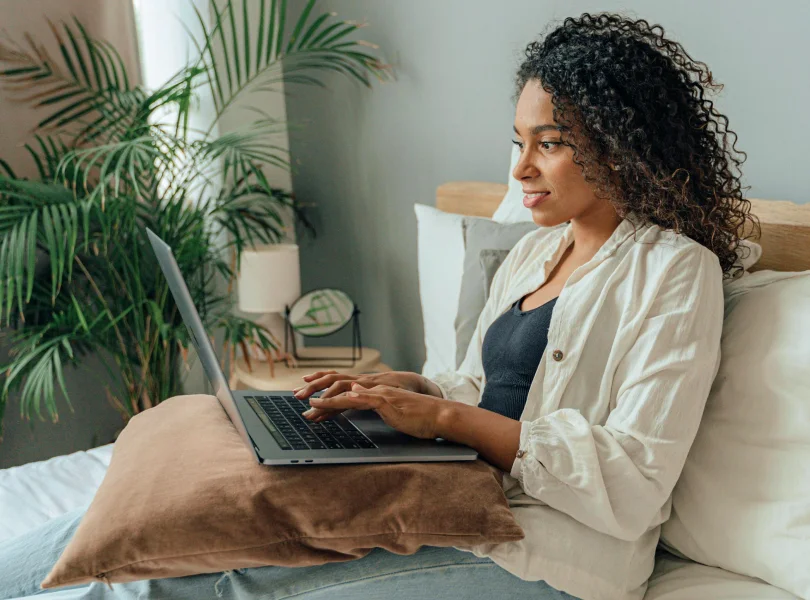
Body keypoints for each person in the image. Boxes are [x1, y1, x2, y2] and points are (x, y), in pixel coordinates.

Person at [0, 11, 757, 600]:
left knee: (215, 580)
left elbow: (633, 480)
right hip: (452, 498)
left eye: (548, 143)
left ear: (622, 145)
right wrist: (413, 391)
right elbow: (483, 387)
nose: (519, 167)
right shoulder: (533, 251)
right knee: (135, 521)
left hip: (553, 563)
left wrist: (449, 420)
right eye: (517, 140)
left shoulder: (674, 272)